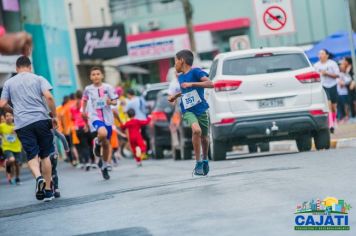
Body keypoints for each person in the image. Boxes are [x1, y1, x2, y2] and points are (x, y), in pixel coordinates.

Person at [0, 56, 57, 201]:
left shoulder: (9, 83)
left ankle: (39, 178)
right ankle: (49, 191)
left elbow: (2, 104)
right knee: (45, 155)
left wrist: (14, 111)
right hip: (41, 120)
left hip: (23, 124)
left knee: (32, 156)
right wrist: (54, 116)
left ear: (16, 68)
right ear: (30, 67)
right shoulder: (38, 78)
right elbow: (49, 97)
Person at [168, 50, 213, 176]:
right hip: (187, 110)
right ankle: (198, 162)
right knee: (196, 131)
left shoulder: (196, 72)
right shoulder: (180, 76)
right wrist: (174, 96)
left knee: (204, 137)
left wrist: (192, 83)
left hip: (201, 108)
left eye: (175, 61)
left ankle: (205, 159)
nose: (174, 64)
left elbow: (210, 83)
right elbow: (185, 93)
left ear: (181, 60)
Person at [82, 67, 118, 180]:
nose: (96, 76)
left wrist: (110, 102)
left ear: (102, 75)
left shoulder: (108, 87)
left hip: (108, 118)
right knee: (102, 133)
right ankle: (97, 142)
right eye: (93, 74)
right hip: (95, 117)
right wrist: (83, 112)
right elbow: (84, 99)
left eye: (98, 74)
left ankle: (104, 165)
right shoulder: (88, 89)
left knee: (106, 144)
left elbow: (115, 101)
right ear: (90, 77)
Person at [314, 49, 340, 133]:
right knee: (328, 106)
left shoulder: (332, 63)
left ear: (327, 55)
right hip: (323, 86)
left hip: (332, 86)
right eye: (319, 54)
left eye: (322, 53)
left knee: (333, 107)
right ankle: (331, 125)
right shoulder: (316, 65)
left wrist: (327, 73)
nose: (320, 55)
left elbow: (337, 75)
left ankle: (333, 120)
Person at [70, 90, 92, 171]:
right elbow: (88, 114)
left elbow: (72, 118)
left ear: (76, 96)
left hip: (78, 128)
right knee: (90, 144)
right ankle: (92, 161)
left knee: (83, 146)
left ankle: (86, 162)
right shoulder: (85, 104)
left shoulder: (72, 107)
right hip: (87, 126)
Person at [0, 111, 22, 185]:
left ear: (13, 117)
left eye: (10, 116)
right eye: (7, 116)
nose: (9, 117)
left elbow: (23, 135)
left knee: (17, 164)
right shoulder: (2, 126)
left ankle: (17, 178)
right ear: (5, 118)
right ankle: (8, 165)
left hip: (17, 147)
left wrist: (17, 132)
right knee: (12, 160)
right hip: (7, 147)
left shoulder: (17, 125)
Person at [50, 127, 69, 198]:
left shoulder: (38, 129)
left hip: (44, 155)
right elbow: (62, 137)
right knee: (53, 171)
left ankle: (49, 189)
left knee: (45, 172)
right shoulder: (52, 129)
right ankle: (56, 189)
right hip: (54, 154)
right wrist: (66, 147)